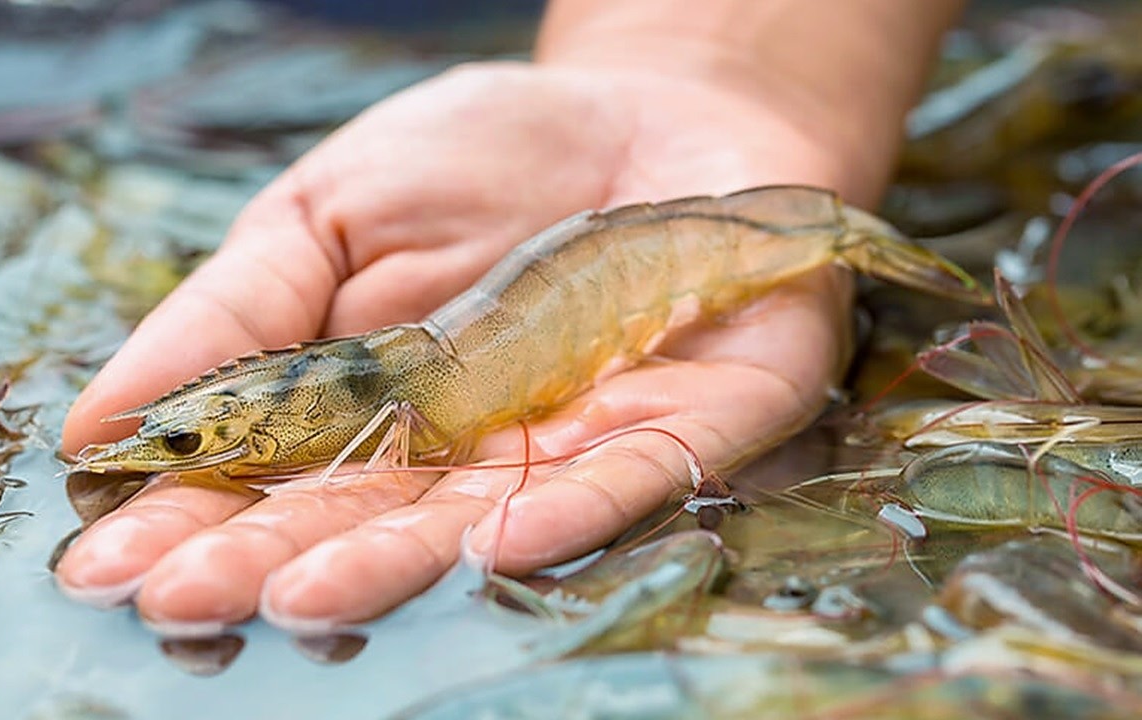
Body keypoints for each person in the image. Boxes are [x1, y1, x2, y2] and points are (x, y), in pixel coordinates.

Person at [57, 0, 966, 634]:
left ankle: (828, 236)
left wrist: (733, 82)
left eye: (187, 441)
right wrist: (701, 66)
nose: (178, 448)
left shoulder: (392, 399)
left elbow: (395, 416)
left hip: (617, 264)